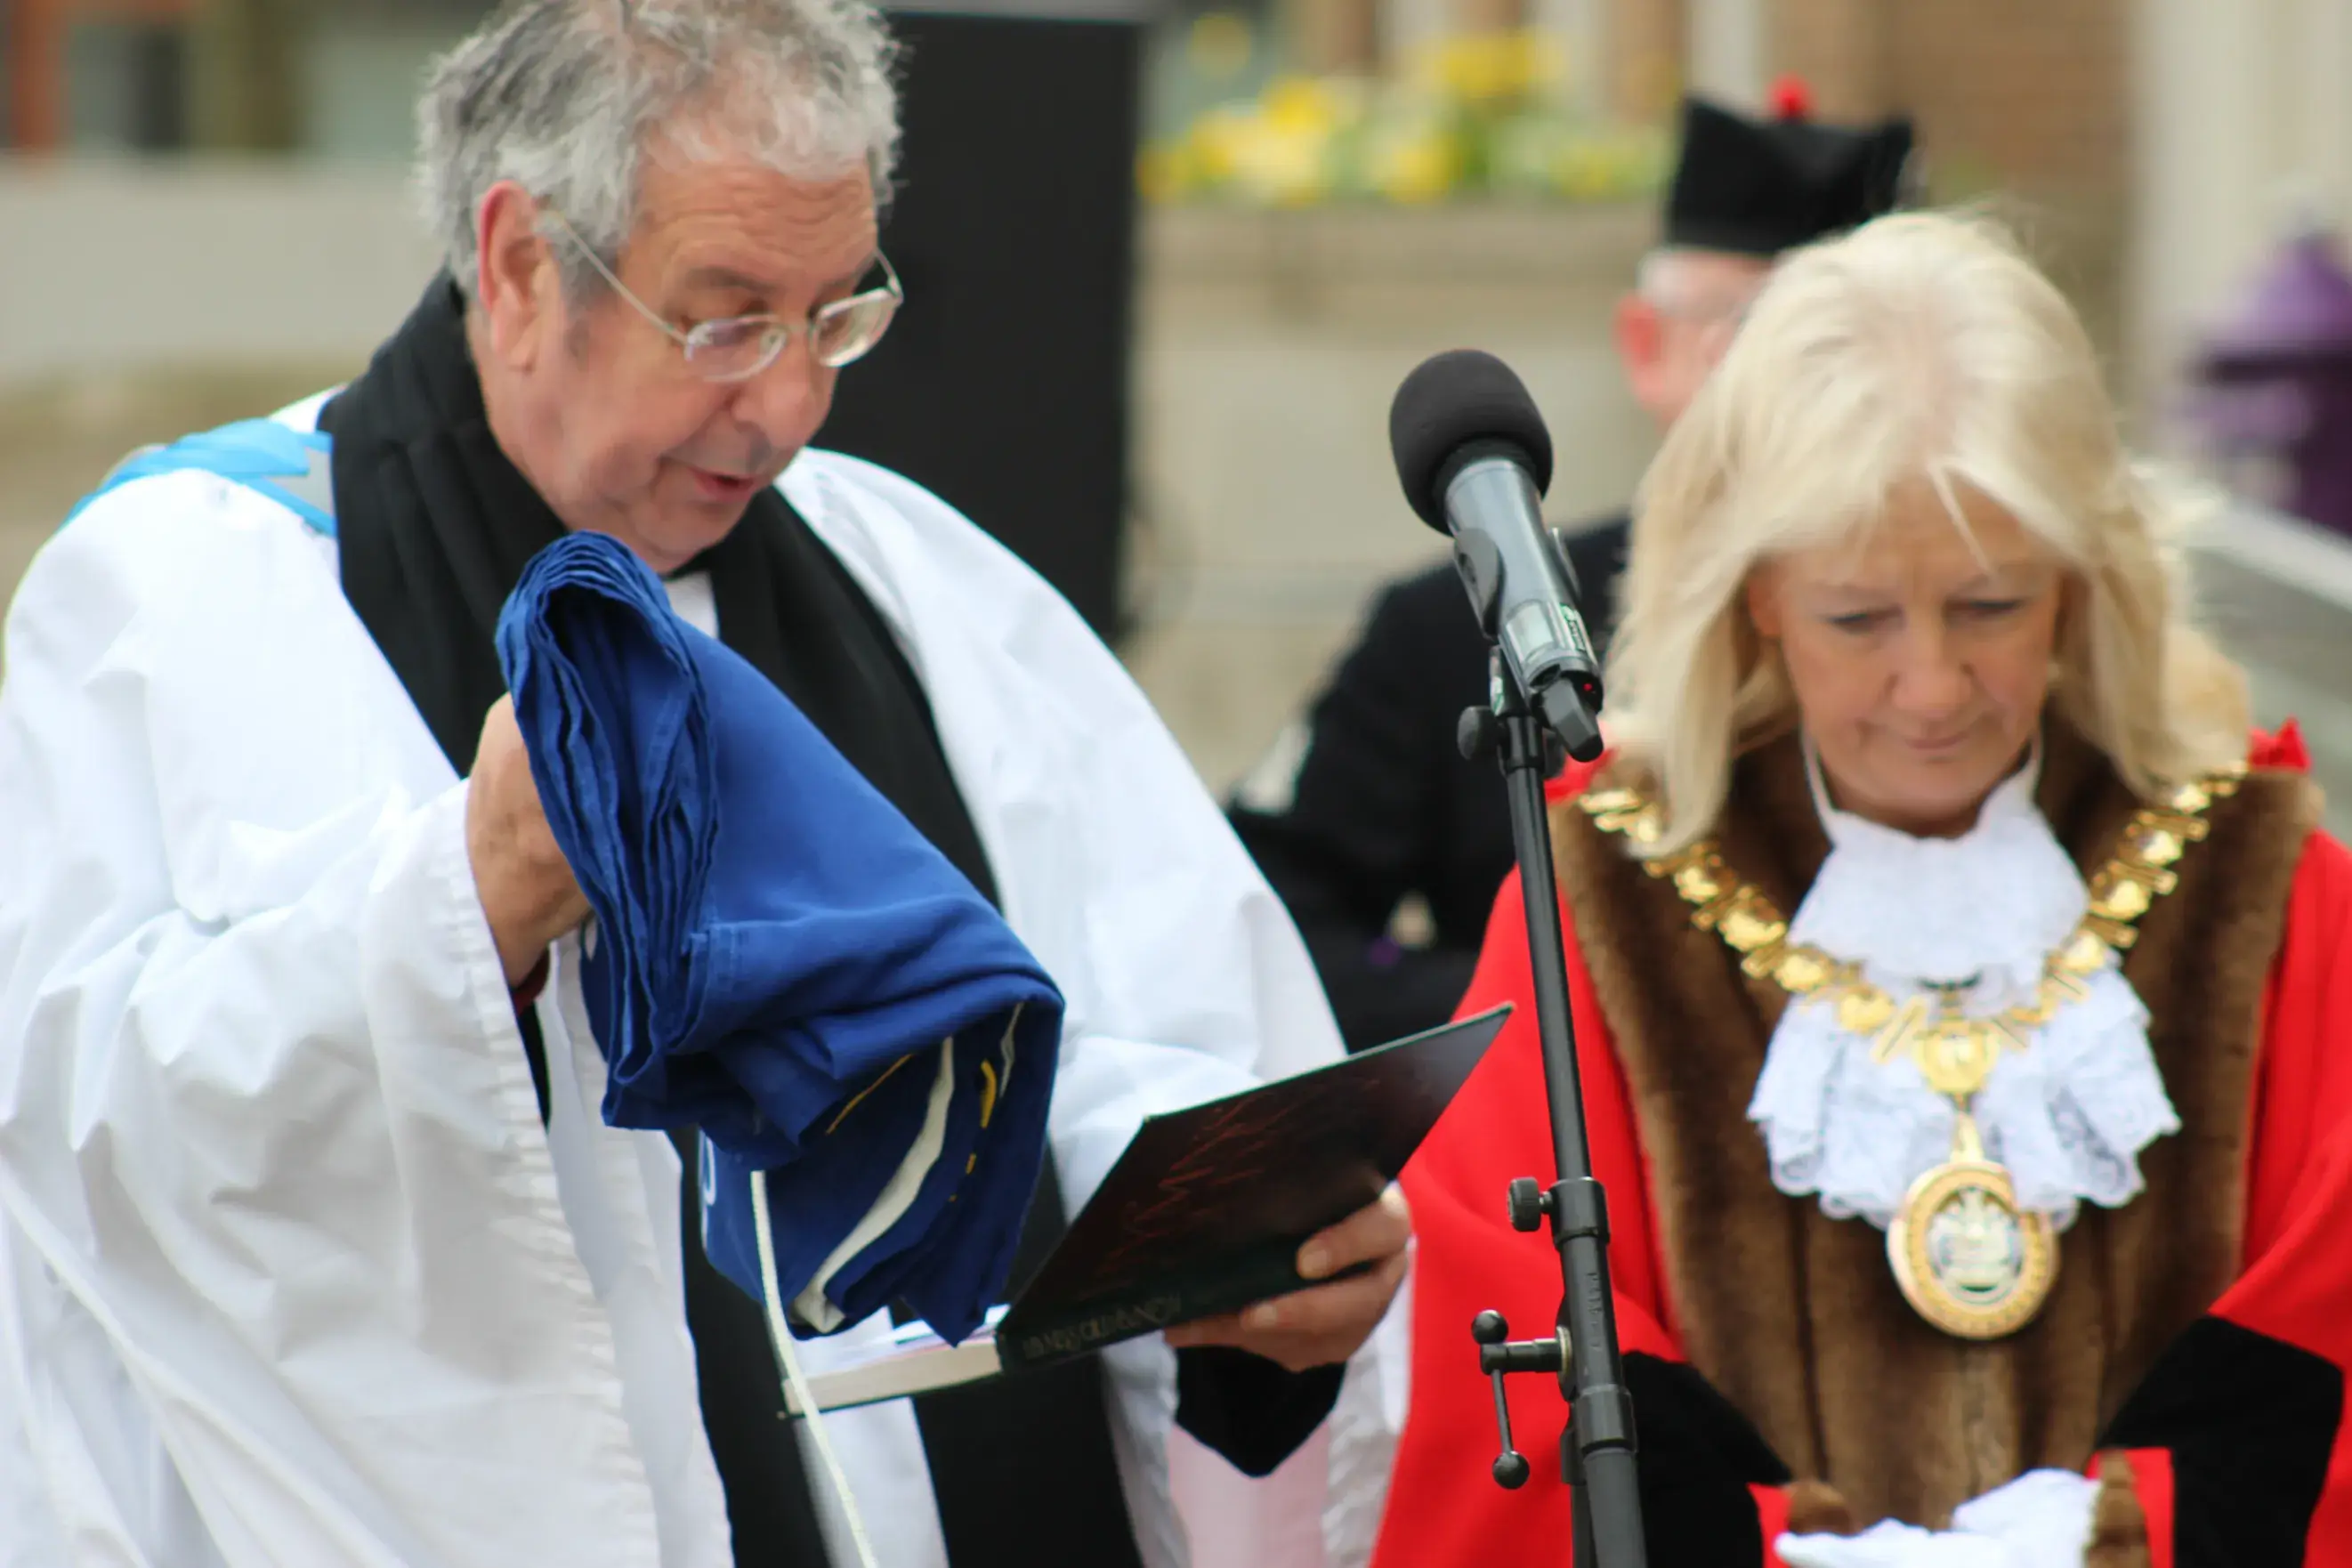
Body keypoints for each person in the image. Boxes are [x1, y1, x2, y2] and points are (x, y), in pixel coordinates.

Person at [0, 4, 1411, 1565]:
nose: (792, 405)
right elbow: (100, 1131)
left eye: (834, 318)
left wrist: (1256, 1245)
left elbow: (1121, 1042)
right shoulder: (190, 589)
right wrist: (466, 898)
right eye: (726, 319)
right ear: (524, 262)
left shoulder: (911, 583)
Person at [1368, 209, 2352, 1567]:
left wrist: (2115, 1539)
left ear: (2076, 577)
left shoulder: (2261, 877)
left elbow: (2330, 1320)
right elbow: (1506, 1339)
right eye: (1858, 617)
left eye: (1990, 603)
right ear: (1755, 591)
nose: (1932, 685)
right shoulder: (1601, 894)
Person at [1230, 85, 1917, 1053]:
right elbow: (1271, 920)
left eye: (1843, 349)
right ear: (1647, 345)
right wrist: (1537, 1005)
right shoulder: (1453, 631)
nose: (1791, 387)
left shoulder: (1956, 647)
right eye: (1754, 331)